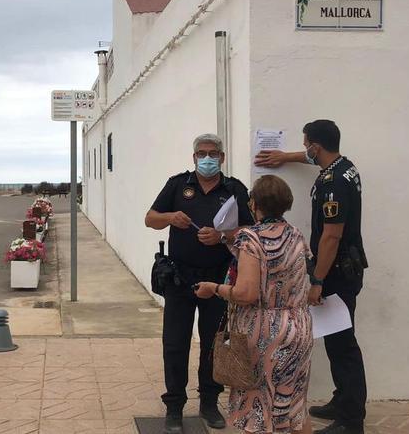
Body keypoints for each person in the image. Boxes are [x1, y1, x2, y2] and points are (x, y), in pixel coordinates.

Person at [254, 120, 367, 434]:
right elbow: (311, 158)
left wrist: (317, 281)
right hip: (344, 267)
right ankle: (343, 400)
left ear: (316, 145)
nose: (305, 150)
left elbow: (331, 236)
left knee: (343, 344)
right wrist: (285, 157)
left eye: (306, 145)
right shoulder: (345, 167)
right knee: (336, 340)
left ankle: (350, 420)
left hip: (337, 272)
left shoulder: (334, 184)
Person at [145, 133, 255, 434]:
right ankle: (174, 407)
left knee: (213, 344)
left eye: (214, 153)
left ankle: (209, 403)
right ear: (194, 157)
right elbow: (150, 218)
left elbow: (249, 229)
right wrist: (170, 217)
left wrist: (222, 236)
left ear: (222, 157)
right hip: (179, 279)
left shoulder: (233, 189)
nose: (208, 158)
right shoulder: (178, 185)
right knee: (175, 343)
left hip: (218, 279)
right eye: (202, 153)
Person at [194, 174, 314, 434]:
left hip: (265, 333)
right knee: (294, 406)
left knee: (258, 409)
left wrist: (213, 288)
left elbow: (246, 293)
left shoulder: (250, 238)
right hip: (299, 326)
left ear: (253, 204)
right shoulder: (296, 234)